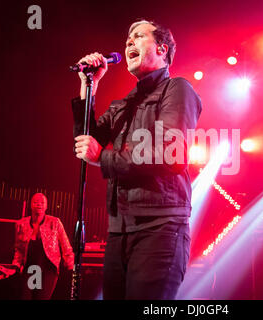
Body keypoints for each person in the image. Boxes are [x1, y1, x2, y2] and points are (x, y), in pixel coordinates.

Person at [71, 19, 202, 299]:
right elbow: (86, 138)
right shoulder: (122, 105)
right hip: (120, 230)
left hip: (160, 228)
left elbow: (170, 152)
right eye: (128, 38)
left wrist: (103, 158)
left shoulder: (177, 89)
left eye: (139, 36)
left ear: (162, 49)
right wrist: (88, 84)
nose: (129, 41)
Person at [12, 193, 74, 300]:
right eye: (36, 202)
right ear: (31, 205)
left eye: (42, 202)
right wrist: (16, 263)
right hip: (32, 268)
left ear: (46, 206)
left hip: (49, 268)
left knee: (41, 298)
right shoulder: (22, 224)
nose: (39, 205)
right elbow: (19, 248)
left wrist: (69, 260)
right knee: (27, 297)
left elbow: (65, 243)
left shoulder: (55, 222)